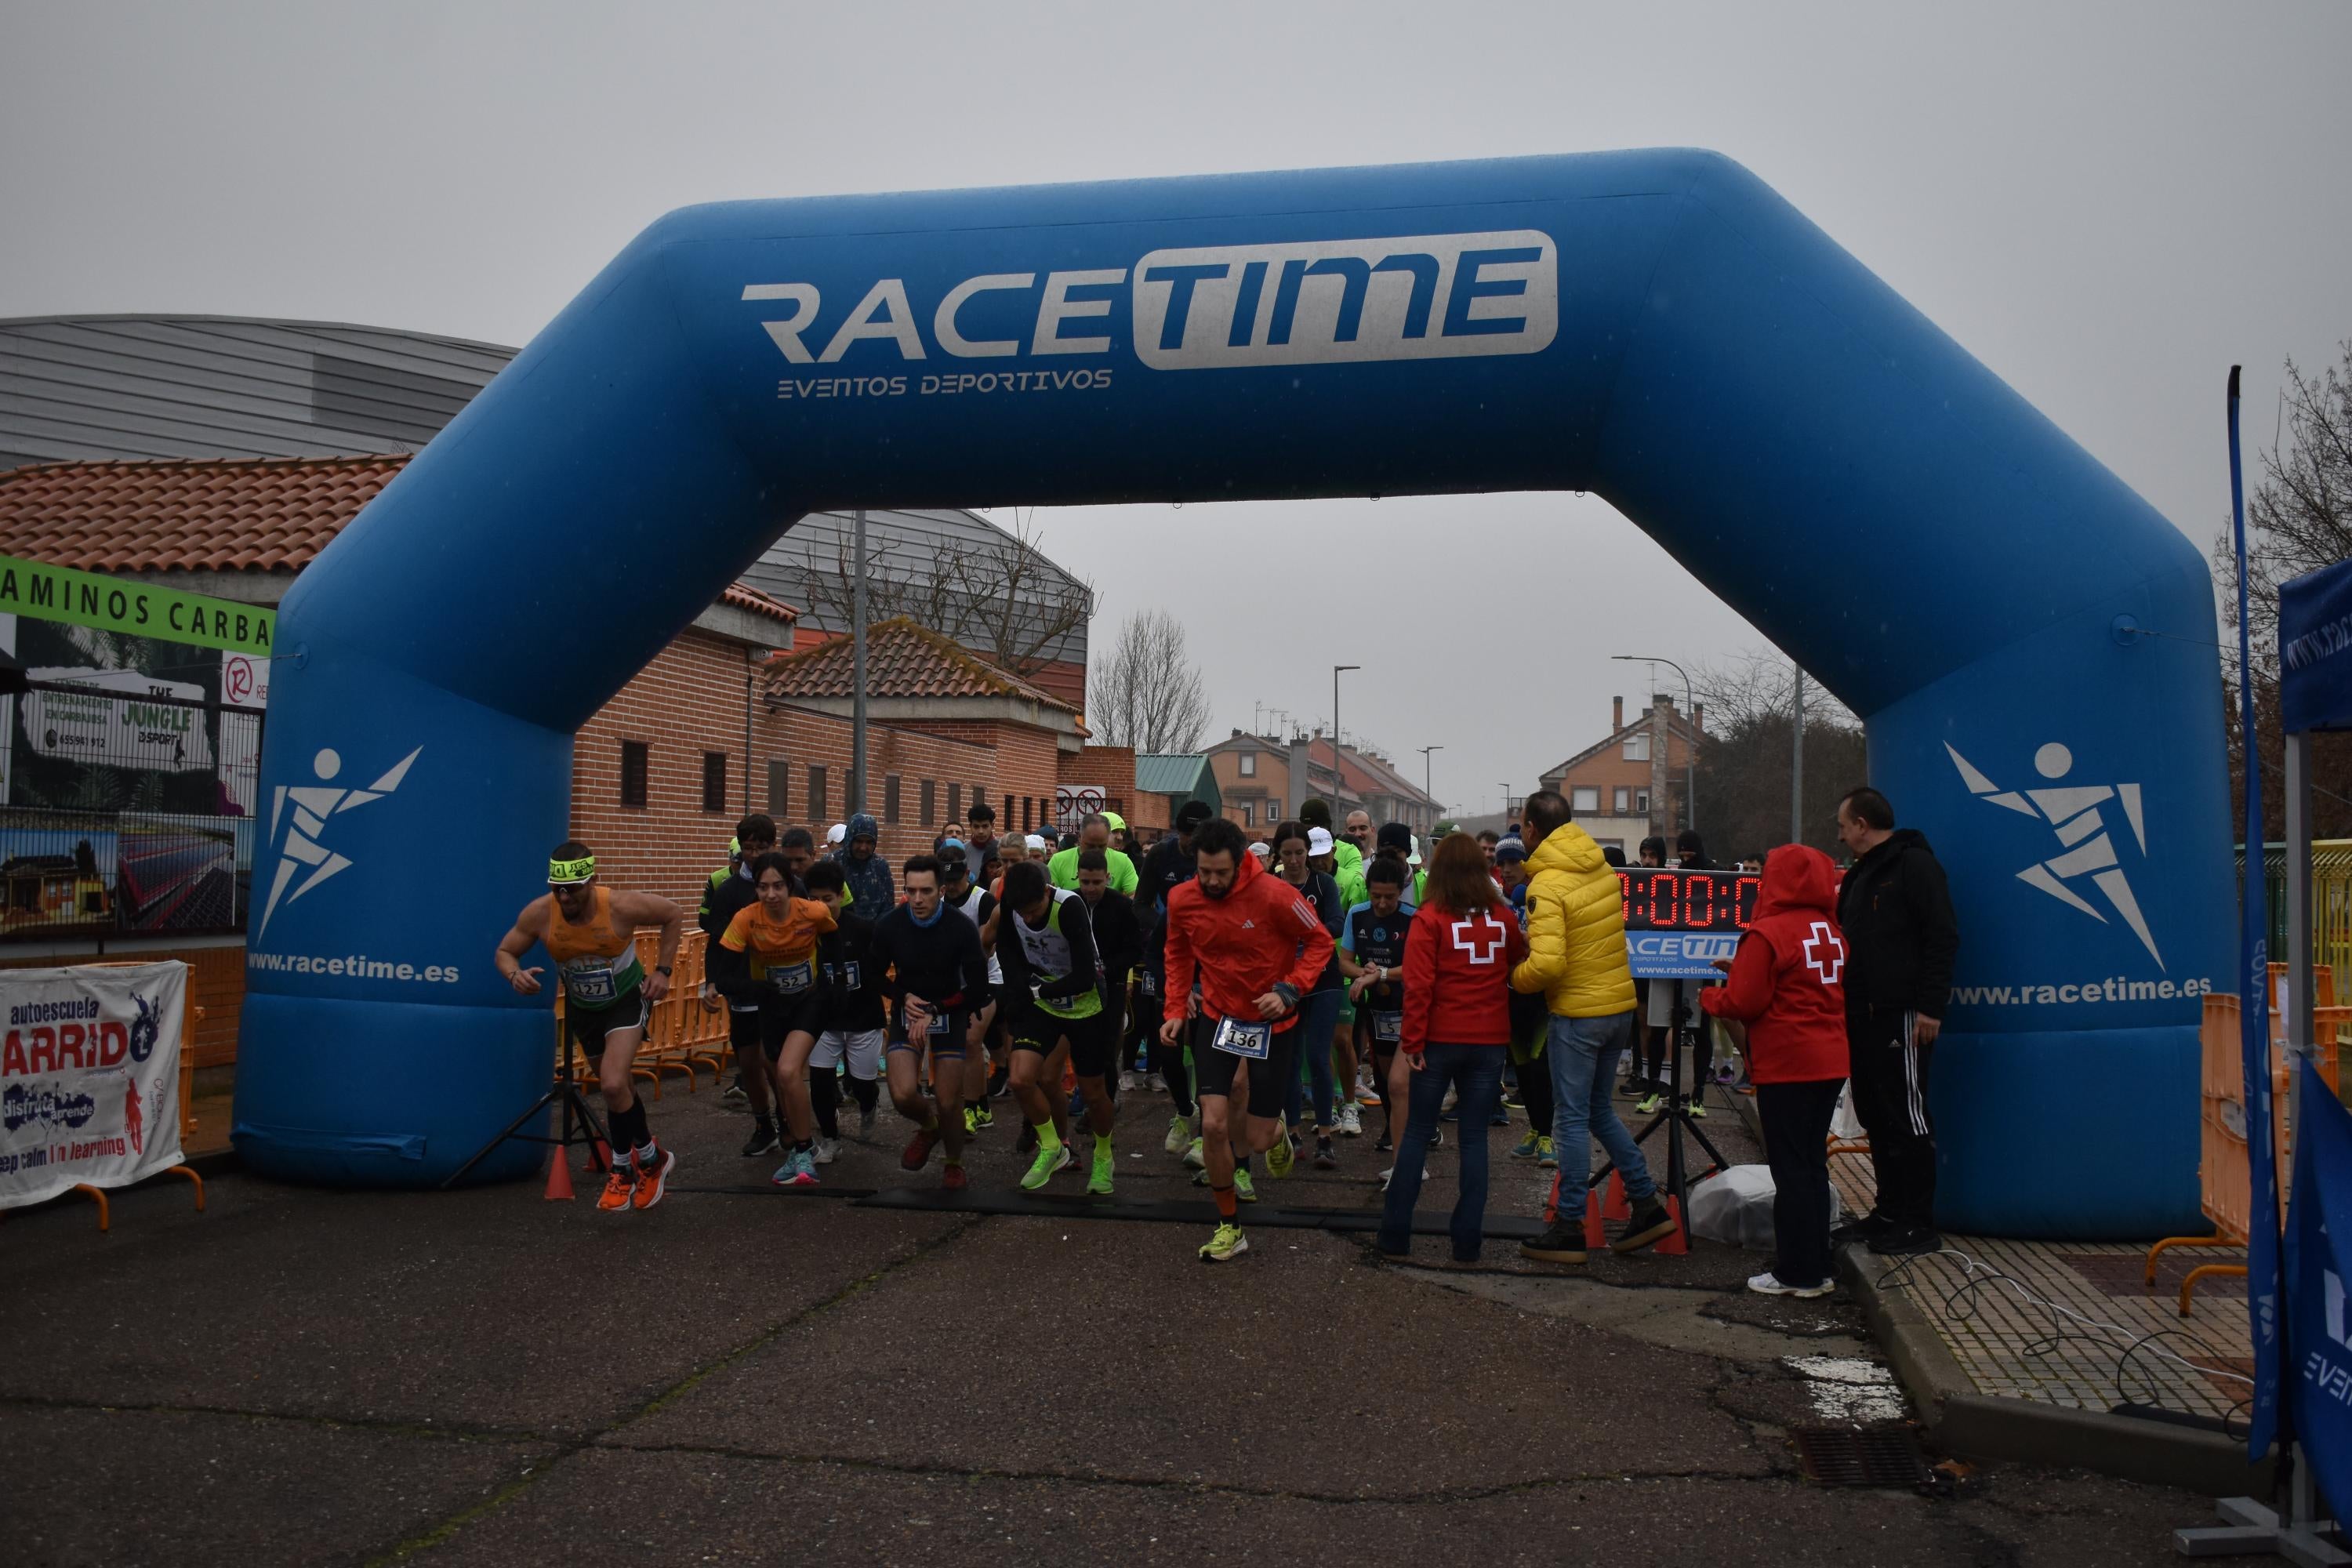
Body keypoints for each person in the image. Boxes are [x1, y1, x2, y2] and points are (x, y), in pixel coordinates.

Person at [1509, 791, 1677, 1264]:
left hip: (1577, 1015)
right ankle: (1645, 1203)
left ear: (1531, 830)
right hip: (1617, 1007)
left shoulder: (1546, 885)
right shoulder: (1601, 869)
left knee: (1570, 1119)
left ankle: (1568, 1226)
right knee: (1600, 1112)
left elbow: (1546, 965)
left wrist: (1513, 979)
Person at [1160, 816, 1333, 1262]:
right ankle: (1229, 1225)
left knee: (1255, 1138)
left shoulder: (1276, 895)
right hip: (1219, 1019)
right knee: (1214, 1124)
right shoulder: (1182, 899)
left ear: (1241, 864)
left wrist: (1289, 989)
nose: (1212, 881)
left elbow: (1319, 942)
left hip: (1272, 1024)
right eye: (1204, 872)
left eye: (1221, 872)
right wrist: (1176, 1007)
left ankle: (1278, 1138)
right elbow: (1177, 952)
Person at [495, 842, 683, 1211]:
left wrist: (663, 971)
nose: (565, 897)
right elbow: (505, 951)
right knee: (620, 1088)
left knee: (612, 1082)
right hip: (585, 1009)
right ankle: (653, 1157)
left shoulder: (620, 906)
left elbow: (673, 914)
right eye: (558, 889)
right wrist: (514, 975)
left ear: (592, 880)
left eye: (574, 888)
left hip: (627, 999)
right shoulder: (539, 913)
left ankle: (629, 1167)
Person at [1700, 844, 1849, 1295]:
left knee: (1790, 1170)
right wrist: (1745, 969)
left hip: (1789, 1063)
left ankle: (1797, 1272)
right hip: (1831, 1059)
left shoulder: (1767, 933)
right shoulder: (1832, 930)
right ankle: (1817, 1263)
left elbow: (1744, 1002)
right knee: (1811, 1165)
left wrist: (1712, 997)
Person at [1377, 833, 1529, 1262]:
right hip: (1489, 1041)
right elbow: (1518, 960)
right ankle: (1467, 1242)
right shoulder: (1502, 915)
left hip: (1439, 1039)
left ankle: (1395, 1236)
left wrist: (1412, 1042)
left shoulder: (1429, 918)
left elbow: (1419, 984)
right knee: (1475, 1139)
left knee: (1416, 1136)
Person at [1833, 786, 1960, 1256]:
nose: (1841, 835)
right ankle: (1887, 1212)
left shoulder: (1915, 866)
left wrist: (1930, 1007)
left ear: (1863, 825)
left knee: (1907, 1114)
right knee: (1875, 1113)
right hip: (1862, 1014)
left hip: (1903, 1015)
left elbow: (1941, 936)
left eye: (1844, 826)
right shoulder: (1860, 875)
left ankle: (1917, 1221)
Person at [710, 851, 839, 1186]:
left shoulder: (812, 911)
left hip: (809, 1000)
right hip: (771, 1006)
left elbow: (835, 939)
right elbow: (723, 976)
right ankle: (803, 1147)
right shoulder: (746, 920)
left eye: (778, 886)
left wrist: (832, 979)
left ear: (791, 886)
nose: (771, 895)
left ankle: (802, 1148)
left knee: (785, 1069)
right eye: (763, 887)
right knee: (783, 1078)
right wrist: (756, 988)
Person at [996, 858, 1115, 1192]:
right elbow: (1006, 949)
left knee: (1093, 1093)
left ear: (1046, 893)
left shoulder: (1068, 906)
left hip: (1085, 1002)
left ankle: (1104, 1155)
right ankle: (1052, 1146)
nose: (1029, 918)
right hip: (1042, 1002)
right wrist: (1020, 987)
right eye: (1023, 913)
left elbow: (1083, 976)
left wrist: (1036, 989)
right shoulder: (1013, 904)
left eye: (1034, 911)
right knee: (1020, 1079)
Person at [874, 855, 991, 1189]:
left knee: (949, 1099)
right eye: (911, 891)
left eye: (925, 891)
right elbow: (873, 974)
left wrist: (936, 1009)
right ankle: (929, 1126)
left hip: (949, 1008)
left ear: (941, 891)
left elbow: (979, 988)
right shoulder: (891, 925)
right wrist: (903, 997)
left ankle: (953, 1163)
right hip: (909, 1008)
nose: (917, 899)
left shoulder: (960, 927)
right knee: (902, 1094)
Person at [700, 814, 781, 1150]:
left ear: (772, 846)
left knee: (775, 1060)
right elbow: (716, 940)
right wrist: (712, 982)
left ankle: (791, 1120)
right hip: (743, 986)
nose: (754, 854)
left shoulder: (788, 885)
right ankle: (764, 1125)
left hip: (779, 987)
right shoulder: (729, 890)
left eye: (761, 847)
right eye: (748, 848)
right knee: (749, 1062)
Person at [1269, 821, 1346, 1170]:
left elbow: (1336, 923)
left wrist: (1303, 933)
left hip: (1324, 977)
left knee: (1317, 1057)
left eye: (1301, 853)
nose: (1296, 860)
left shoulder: (1324, 883)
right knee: (1287, 1058)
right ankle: (1295, 1133)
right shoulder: (1271, 887)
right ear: (1279, 855)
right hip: (1285, 981)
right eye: (1289, 854)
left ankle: (1326, 1136)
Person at [1138, 801, 1210, 1156]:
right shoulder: (1161, 859)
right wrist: (1170, 932)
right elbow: (1141, 905)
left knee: (1204, 1054)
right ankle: (1185, 1111)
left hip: (1209, 974)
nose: (1190, 844)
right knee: (1167, 1050)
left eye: (1197, 837)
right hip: (1169, 960)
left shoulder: (1217, 864)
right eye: (1185, 835)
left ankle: (1206, 1134)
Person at [804, 860, 884, 1158]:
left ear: (841, 896)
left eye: (827, 899)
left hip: (863, 1017)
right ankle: (830, 1138)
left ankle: (869, 1103)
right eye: (813, 899)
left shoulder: (863, 929)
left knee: (861, 1084)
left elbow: (879, 970)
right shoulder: (803, 932)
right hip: (823, 1020)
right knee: (820, 1082)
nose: (821, 906)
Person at [1339, 856, 1414, 1151]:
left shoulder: (1413, 918)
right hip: (1378, 1006)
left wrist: (1380, 974)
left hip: (1409, 1005)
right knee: (1382, 1074)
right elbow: (1344, 962)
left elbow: (1418, 968)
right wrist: (1364, 975)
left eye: (1390, 897)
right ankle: (1391, 1124)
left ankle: (1417, 1127)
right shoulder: (1357, 915)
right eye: (1376, 896)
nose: (1382, 904)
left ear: (1401, 892)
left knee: (1406, 1074)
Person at [938, 844, 1004, 1127]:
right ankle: (983, 1107)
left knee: (971, 1040)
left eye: (955, 881)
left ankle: (971, 1108)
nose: (951, 887)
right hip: (956, 981)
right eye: (945, 882)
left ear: (968, 873)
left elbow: (988, 947)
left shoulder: (983, 900)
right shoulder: (937, 903)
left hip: (989, 977)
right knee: (976, 1044)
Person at [1076, 848, 1142, 1094]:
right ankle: (1083, 1096)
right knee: (1081, 1047)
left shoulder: (1123, 906)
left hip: (1111, 988)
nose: (1090, 888)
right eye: (1085, 882)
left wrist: (1107, 968)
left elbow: (1134, 950)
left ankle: (1106, 1101)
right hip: (1078, 988)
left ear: (1108, 878)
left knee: (1107, 1048)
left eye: (1097, 882)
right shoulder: (1071, 902)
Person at [1048, 811, 1140, 895]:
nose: (1096, 851)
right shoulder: (1058, 861)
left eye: (1101, 846)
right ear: (1080, 837)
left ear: (1108, 839)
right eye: (1090, 846)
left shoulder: (1123, 861)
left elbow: (1136, 896)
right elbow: (1049, 898)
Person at [834, 811, 895, 912]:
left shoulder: (881, 866)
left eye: (869, 842)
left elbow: (888, 908)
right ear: (850, 840)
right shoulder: (832, 863)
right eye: (858, 841)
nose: (863, 848)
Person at [963, 800, 1000, 884]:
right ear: (970, 826)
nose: (981, 831)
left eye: (985, 826)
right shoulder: (962, 851)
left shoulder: (1003, 849)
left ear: (992, 826)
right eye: (976, 826)